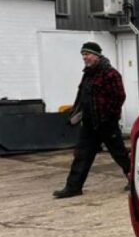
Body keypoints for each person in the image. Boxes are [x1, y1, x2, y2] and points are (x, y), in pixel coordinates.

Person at [53, 42, 130, 199]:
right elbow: (82, 96)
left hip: (106, 123)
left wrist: (109, 116)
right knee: (81, 155)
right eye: (83, 55)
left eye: (87, 54)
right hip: (89, 124)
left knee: (120, 154)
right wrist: (76, 113)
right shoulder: (88, 74)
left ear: (96, 55)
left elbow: (119, 97)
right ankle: (73, 187)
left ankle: (135, 181)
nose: (84, 57)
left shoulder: (110, 73)